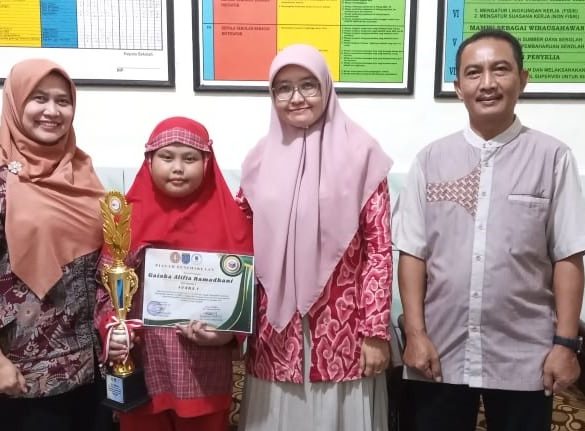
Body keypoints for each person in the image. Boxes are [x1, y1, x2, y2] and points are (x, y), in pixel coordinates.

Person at [393, 28, 585, 431]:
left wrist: (566, 345)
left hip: (527, 355)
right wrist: (415, 334)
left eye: (500, 69)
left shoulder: (553, 158)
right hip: (440, 351)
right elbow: (413, 253)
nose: (487, 83)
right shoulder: (431, 160)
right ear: (458, 87)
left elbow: (568, 255)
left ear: (523, 79)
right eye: (473, 72)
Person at [237, 44, 393, 431]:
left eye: (308, 85)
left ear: (326, 87)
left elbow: (379, 250)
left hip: (343, 330)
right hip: (275, 333)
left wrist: (375, 332)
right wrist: (227, 322)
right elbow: (239, 245)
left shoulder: (362, 154)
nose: (296, 98)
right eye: (283, 88)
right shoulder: (258, 161)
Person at [95, 116, 253, 431]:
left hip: (204, 371)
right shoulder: (126, 220)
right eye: (167, 157)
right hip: (142, 366)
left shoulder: (232, 221)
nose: (178, 168)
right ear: (149, 161)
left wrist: (227, 334)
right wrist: (112, 331)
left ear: (207, 163)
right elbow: (105, 289)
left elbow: (247, 298)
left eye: (190, 158)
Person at [0, 59, 105, 430]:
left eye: (63, 101)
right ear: (15, 102)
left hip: (94, 367)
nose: (52, 110)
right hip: (25, 375)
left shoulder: (82, 171)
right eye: (39, 98)